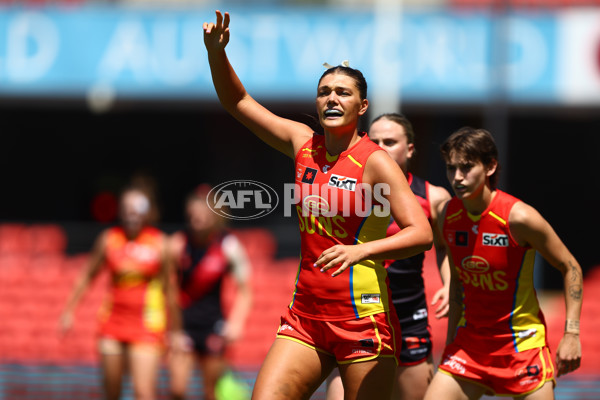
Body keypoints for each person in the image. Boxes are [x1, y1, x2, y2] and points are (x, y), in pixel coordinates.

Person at [203, 10, 433, 400]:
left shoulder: (375, 161)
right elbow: (237, 101)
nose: (332, 98)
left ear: (362, 107)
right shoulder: (301, 142)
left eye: (343, 92)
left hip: (363, 318)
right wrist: (216, 54)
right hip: (305, 315)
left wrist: (361, 250)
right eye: (325, 91)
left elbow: (422, 233)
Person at [424, 127, 583, 400]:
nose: (457, 177)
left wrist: (571, 334)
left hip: (522, 347)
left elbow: (571, 267)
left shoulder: (519, 218)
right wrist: (450, 345)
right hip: (469, 348)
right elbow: (454, 280)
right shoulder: (446, 214)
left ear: (490, 166)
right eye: (451, 168)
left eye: (466, 167)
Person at [326, 113, 452, 400]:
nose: (381, 147)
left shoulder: (434, 197)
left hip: (408, 315)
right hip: (356, 315)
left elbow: (445, 246)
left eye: (390, 141)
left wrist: (448, 284)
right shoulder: (348, 190)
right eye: (375, 140)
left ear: (409, 148)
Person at [60, 187, 179, 400]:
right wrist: (69, 310)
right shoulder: (109, 239)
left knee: (144, 392)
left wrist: (175, 330)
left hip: (147, 324)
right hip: (112, 322)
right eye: (127, 209)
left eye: (136, 209)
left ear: (147, 212)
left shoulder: (161, 243)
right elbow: (87, 276)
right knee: (112, 391)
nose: (131, 214)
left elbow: (170, 290)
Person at [168, 185, 252, 400]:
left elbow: (245, 290)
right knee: (177, 390)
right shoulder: (177, 244)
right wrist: (173, 329)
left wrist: (236, 323)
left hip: (212, 325)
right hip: (183, 325)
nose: (198, 220)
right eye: (194, 215)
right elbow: (166, 289)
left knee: (210, 392)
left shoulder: (228, 246)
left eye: (203, 215)